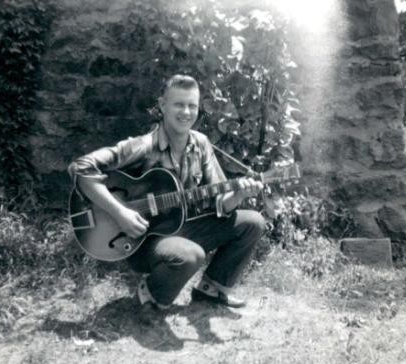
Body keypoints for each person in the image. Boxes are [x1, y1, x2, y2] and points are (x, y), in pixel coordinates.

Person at [68, 74, 265, 323]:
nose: (186, 112)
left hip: (185, 227)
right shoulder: (142, 146)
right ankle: (150, 295)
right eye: (179, 104)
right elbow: (80, 168)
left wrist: (237, 195)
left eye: (192, 105)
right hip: (143, 239)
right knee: (191, 255)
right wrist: (120, 212)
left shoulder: (201, 144)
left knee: (252, 222)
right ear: (162, 105)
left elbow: (219, 202)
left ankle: (211, 290)